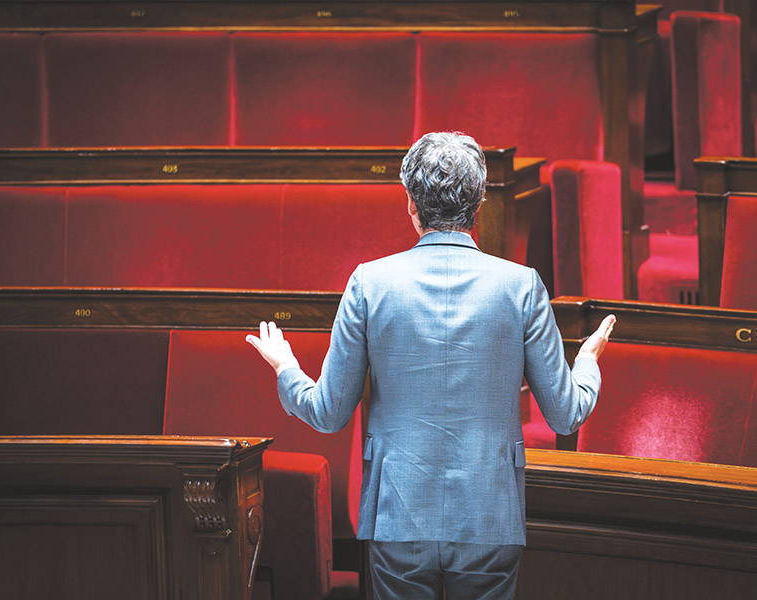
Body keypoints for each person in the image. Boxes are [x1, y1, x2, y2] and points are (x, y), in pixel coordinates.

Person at [247, 131, 616, 600]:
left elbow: (328, 412)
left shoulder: (369, 282)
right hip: (491, 514)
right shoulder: (522, 286)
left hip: (398, 513)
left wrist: (286, 368)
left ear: (410, 204)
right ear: (479, 203)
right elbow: (566, 413)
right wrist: (586, 363)